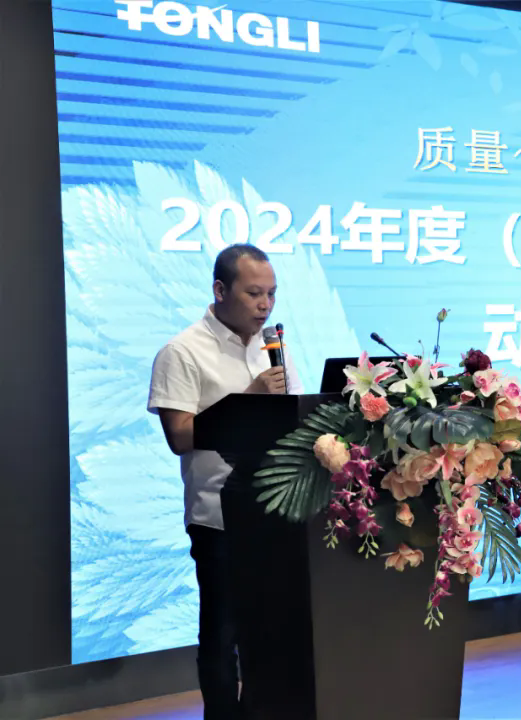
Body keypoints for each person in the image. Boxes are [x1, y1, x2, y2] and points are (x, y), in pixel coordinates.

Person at [147, 244, 302, 720]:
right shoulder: (182, 352)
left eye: (272, 294)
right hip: (218, 516)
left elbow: (294, 419)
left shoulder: (272, 350)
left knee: (272, 631)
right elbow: (179, 436)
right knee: (222, 634)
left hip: (275, 510)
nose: (265, 305)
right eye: (254, 293)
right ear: (220, 289)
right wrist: (248, 399)